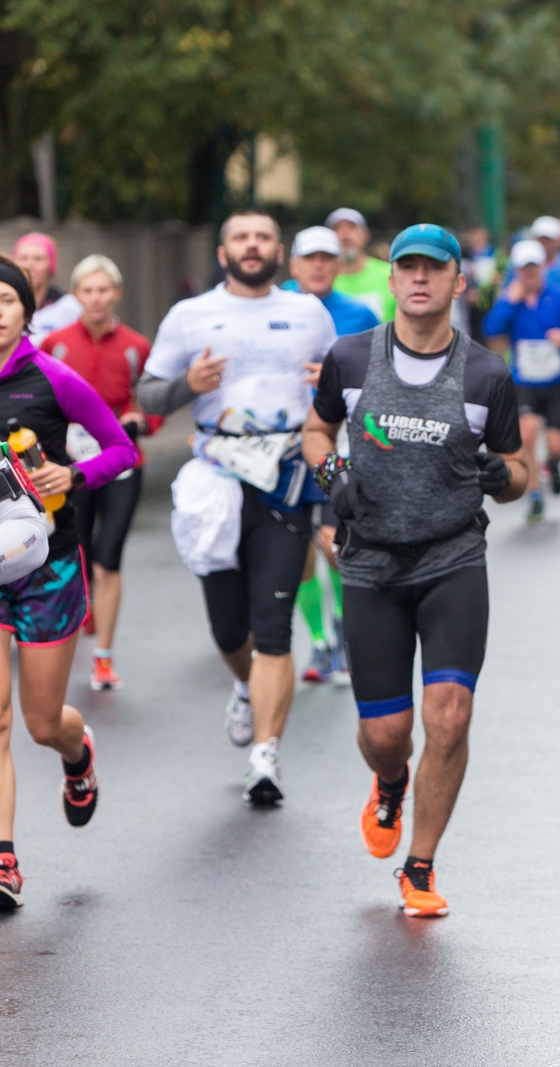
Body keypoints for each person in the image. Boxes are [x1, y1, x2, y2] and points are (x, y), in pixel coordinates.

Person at [301, 224, 527, 918]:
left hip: (452, 558)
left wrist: (503, 477)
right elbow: (316, 431)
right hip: (369, 564)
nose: (420, 279)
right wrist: (333, 475)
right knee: (386, 735)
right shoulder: (350, 357)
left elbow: (519, 469)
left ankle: (420, 865)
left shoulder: (486, 374)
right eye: (408, 268)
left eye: (434, 268)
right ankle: (391, 780)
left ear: (459, 281)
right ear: (392, 279)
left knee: (449, 718)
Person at [138, 209, 338, 805]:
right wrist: (188, 385)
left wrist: (329, 385)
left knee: (273, 626)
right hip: (217, 482)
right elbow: (147, 394)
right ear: (223, 253)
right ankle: (248, 687)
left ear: (279, 251)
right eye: (241, 238)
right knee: (229, 628)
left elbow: (347, 391)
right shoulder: (190, 315)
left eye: (263, 237)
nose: (253, 246)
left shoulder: (308, 312)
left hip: (285, 481)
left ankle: (265, 755)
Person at [0, 254, 139, 910]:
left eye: (5, 300)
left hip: (47, 569)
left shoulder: (54, 379)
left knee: (39, 722)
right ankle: (4, 860)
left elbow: (122, 449)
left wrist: (72, 475)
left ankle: (77, 751)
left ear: (26, 310)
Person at [40, 254, 162, 692]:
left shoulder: (136, 346)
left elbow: (154, 400)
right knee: (80, 552)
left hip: (121, 463)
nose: (95, 298)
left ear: (116, 294)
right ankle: (87, 600)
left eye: (103, 290)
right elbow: (38, 399)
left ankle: (104, 657)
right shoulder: (54, 344)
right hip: (70, 464)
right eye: (87, 291)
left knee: (109, 557)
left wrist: (142, 422)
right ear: (75, 295)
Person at [284, 226, 381, 683]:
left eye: (327, 258)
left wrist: (336, 377)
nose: (319, 266)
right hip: (282, 446)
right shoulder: (275, 308)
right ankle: (320, 642)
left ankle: (343, 625)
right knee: (298, 555)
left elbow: (382, 375)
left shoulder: (360, 314)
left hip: (336, 442)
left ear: (340, 265)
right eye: (310, 258)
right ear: (294, 265)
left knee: (333, 544)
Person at [482, 239, 560, 521]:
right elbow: (491, 329)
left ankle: (553, 465)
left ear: (542, 268)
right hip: (524, 381)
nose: (529, 274)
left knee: (558, 446)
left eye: (533, 268)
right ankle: (534, 494)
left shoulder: (559, 296)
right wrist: (509, 301)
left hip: (557, 381)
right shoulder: (510, 299)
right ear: (517, 271)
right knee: (528, 433)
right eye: (524, 269)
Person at [327, 208, 396, 322]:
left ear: (366, 234)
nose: (344, 234)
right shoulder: (321, 281)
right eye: (337, 228)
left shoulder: (390, 274)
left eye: (351, 227)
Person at [13, 234, 81, 336]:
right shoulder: (5, 305)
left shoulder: (68, 305)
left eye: (38, 259)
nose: (29, 265)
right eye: (23, 258)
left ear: (51, 265)